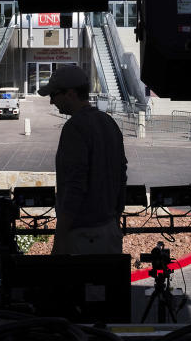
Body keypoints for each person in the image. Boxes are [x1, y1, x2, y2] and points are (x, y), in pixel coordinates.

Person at [38, 65, 128, 255]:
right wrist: (115, 219)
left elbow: (75, 186)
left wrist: (60, 237)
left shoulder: (74, 127)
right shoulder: (109, 123)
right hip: (109, 232)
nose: (52, 101)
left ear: (70, 94)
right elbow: (122, 176)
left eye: (54, 95)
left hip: (84, 238)